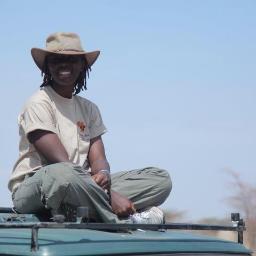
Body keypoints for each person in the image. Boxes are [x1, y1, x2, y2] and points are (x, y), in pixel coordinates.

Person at [8, 32, 172, 223]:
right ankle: (123, 221)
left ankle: (85, 210)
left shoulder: (89, 108)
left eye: (71, 60)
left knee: (160, 179)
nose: (63, 64)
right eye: (56, 60)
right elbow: (61, 164)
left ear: (82, 66)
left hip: (84, 186)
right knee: (63, 174)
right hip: (39, 187)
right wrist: (110, 196)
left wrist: (103, 175)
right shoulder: (38, 102)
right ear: (47, 67)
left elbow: (99, 159)